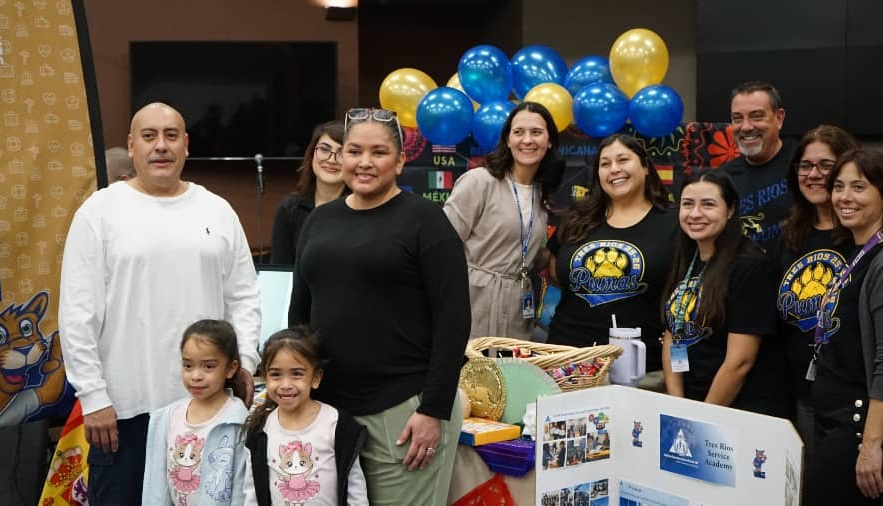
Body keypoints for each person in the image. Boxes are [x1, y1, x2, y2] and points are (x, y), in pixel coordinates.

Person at [59, 102, 260, 505]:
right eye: (149, 137)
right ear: (132, 146)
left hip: (208, 409)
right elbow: (77, 314)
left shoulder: (217, 210)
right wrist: (93, 397)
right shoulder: (98, 213)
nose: (161, 146)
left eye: (171, 136)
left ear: (186, 144)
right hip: (123, 411)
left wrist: (247, 364)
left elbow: (244, 297)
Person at [289, 107, 470, 505]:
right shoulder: (319, 222)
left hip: (405, 411)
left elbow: (453, 320)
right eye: (354, 151)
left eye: (378, 152)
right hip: (330, 411)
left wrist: (433, 409)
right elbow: (299, 319)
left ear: (401, 160)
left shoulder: (427, 222)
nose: (364, 162)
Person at [661, 170, 789, 418]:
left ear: (730, 210)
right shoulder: (687, 258)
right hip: (693, 403)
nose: (695, 213)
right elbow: (671, 334)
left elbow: (739, 363)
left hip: (738, 411)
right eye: (688, 204)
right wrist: (677, 406)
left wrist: (701, 419)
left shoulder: (750, 266)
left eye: (708, 204)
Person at [547, 134, 676, 371]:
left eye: (623, 160)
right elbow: (555, 273)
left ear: (646, 167)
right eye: (605, 164)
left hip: (642, 368)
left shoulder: (674, 223)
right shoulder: (576, 219)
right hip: (567, 362)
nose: (614, 169)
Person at [771, 125, 859, 458]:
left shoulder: (862, 235)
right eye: (805, 166)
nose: (813, 174)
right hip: (801, 392)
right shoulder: (790, 234)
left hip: (851, 397)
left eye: (826, 165)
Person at [443, 101, 563, 340]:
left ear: (549, 141)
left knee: (512, 373)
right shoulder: (479, 182)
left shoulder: (541, 195)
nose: (527, 140)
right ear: (508, 140)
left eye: (536, 132)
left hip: (518, 307)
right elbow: (441, 247)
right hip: (473, 304)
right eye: (518, 132)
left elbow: (529, 253)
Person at [804, 149, 883, 505]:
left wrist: (871, 445)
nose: (844, 197)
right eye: (838, 186)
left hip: (857, 426)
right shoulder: (858, 253)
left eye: (859, 187)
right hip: (834, 419)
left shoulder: (880, 263)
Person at [244, 327, 367, 506]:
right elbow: (251, 490)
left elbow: (356, 489)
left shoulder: (337, 425)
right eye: (276, 374)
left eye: (296, 374)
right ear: (265, 377)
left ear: (316, 378)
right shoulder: (260, 430)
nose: (285, 384)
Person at [143, 320, 254, 505]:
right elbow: (156, 489)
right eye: (188, 366)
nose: (195, 376)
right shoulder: (166, 418)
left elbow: (242, 491)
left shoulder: (238, 422)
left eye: (208, 366)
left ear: (231, 368)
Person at [718, 81, 795, 248]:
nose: (746, 127)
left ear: (779, 118)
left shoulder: (803, 166)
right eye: (737, 119)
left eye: (756, 116)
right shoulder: (723, 177)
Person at [270, 121, 348, 265]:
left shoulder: (361, 209)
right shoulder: (289, 209)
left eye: (341, 153)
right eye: (324, 149)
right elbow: (281, 272)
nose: (331, 159)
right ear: (312, 154)